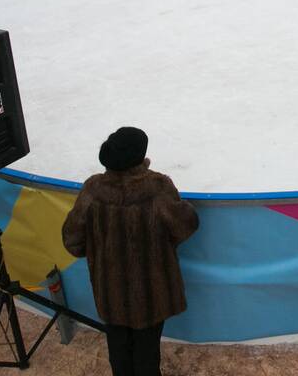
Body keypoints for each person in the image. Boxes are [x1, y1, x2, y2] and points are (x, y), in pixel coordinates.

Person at [62, 127, 198, 376]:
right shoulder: (157, 188)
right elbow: (185, 225)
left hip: (111, 293)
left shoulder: (93, 191)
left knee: (119, 352)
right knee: (147, 355)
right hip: (152, 295)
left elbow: (73, 241)